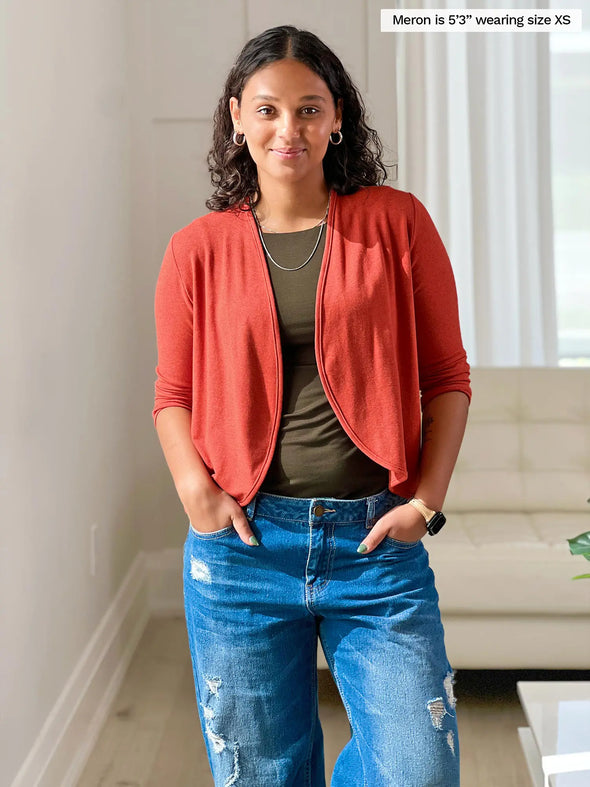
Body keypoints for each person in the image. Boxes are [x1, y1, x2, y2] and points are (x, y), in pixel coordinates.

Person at [153, 24, 470, 787]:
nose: (286, 129)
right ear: (237, 117)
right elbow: (172, 395)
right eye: (266, 110)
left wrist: (426, 500)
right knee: (262, 774)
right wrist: (195, 488)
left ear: (336, 119)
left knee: (418, 771)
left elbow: (448, 376)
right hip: (243, 549)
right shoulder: (195, 248)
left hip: (374, 545)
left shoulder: (398, 224)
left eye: (308, 108)